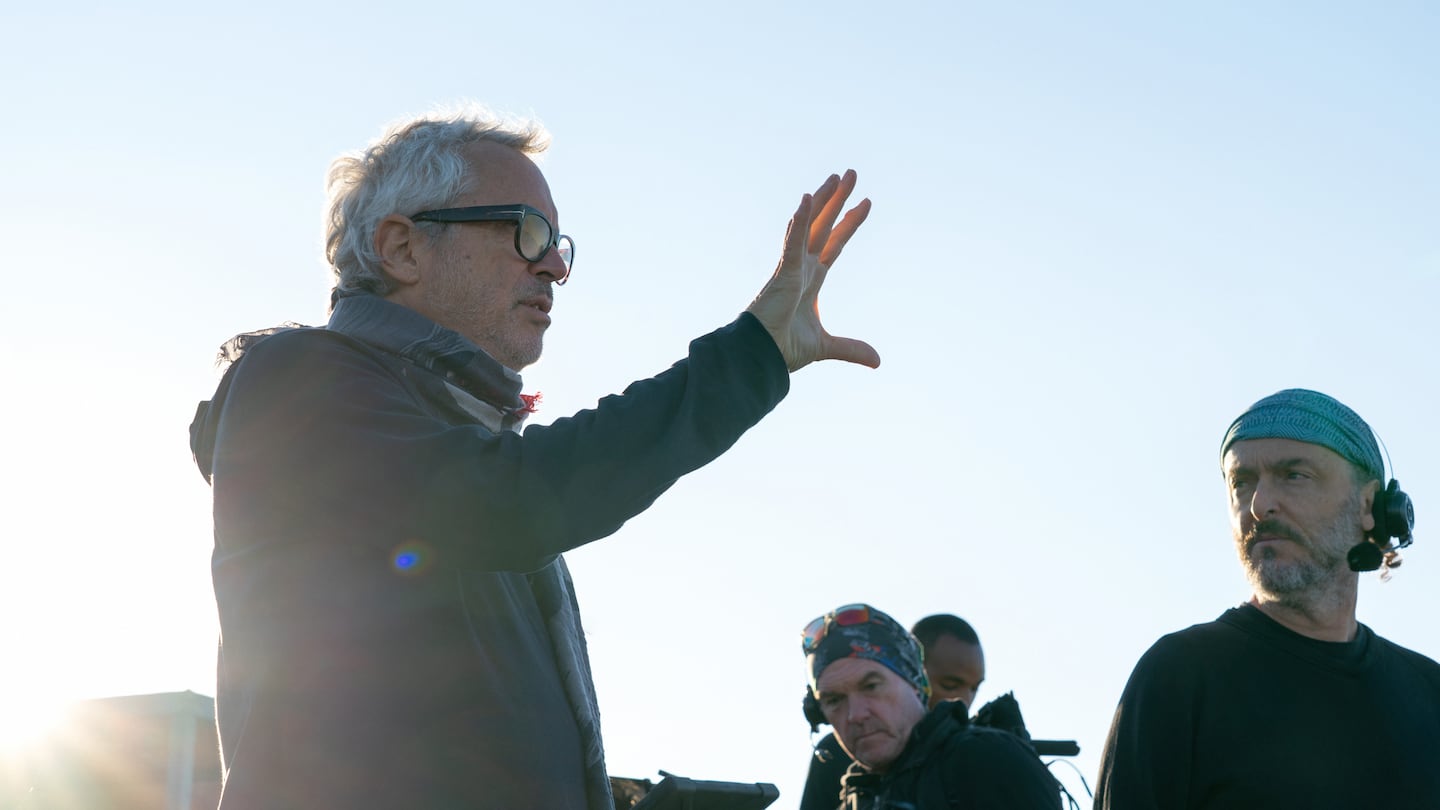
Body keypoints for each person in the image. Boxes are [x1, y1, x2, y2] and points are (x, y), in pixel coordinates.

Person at [188, 106, 879, 810]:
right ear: (401, 248)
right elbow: (507, 504)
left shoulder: (472, 453)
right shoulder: (297, 380)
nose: (554, 266)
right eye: (525, 231)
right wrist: (750, 356)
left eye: (558, 244)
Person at [1094, 388, 1440, 809]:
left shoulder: (1428, 693)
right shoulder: (1180, 677)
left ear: (1369, 505)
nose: (1258, 505)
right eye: (1242, 482)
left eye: (1294, 475)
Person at [801, 603, 1060, 809]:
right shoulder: (856, 793)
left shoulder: (988, 760)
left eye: (871, 686)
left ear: (915, 680)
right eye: (834, 700)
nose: (856, 714)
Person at [800, 613, 988, 810]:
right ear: (917, 677)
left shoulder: (983, 756)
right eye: (949, 685)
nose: (963, 701)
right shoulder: (838, 757)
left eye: (974, 688)